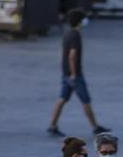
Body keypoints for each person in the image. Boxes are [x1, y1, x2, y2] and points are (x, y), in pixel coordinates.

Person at [47, 9, 110, 137]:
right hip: (74, 75)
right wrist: (74, 73)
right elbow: (72, 55)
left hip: (65, 74)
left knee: (62, 99)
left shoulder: (67, 34)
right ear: (80, 21)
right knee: (85, 100)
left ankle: (52, 125)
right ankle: (96, 127)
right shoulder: (76, 35)